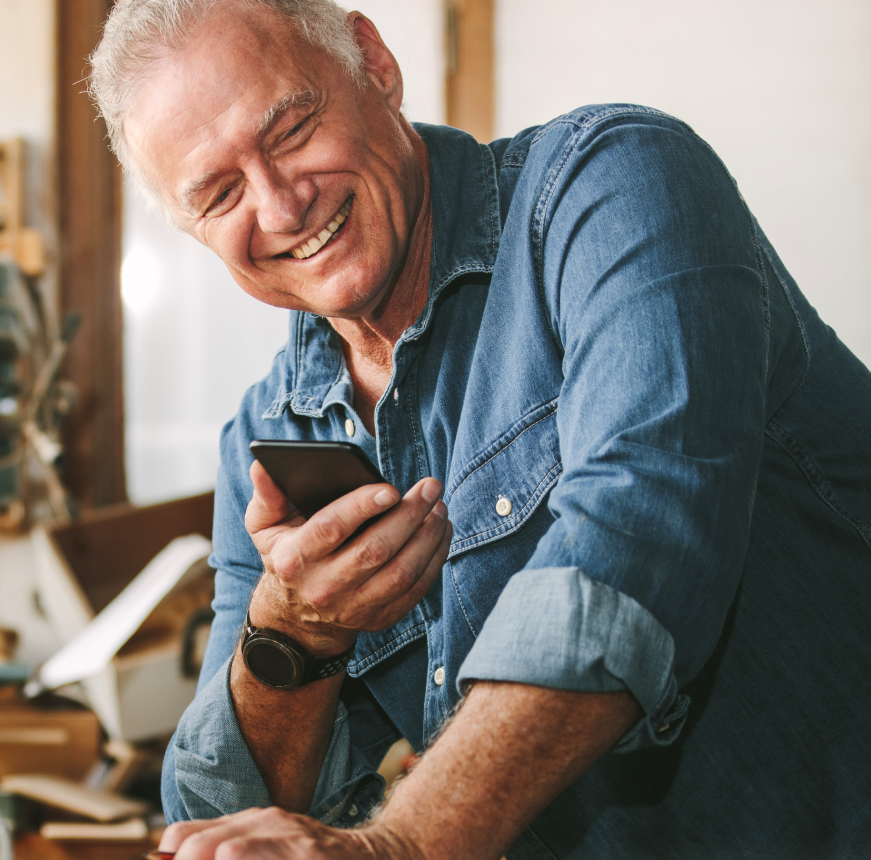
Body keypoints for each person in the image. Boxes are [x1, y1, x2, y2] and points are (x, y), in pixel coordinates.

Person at [89, 1, 871, 857]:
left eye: (290, 131)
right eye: (221, 193)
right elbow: (215, 808)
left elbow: (641, 541)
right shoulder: (265, 436)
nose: (280, 208)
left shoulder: (613, 183)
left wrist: (402, 846)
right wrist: (294, 629)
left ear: (372, 62)